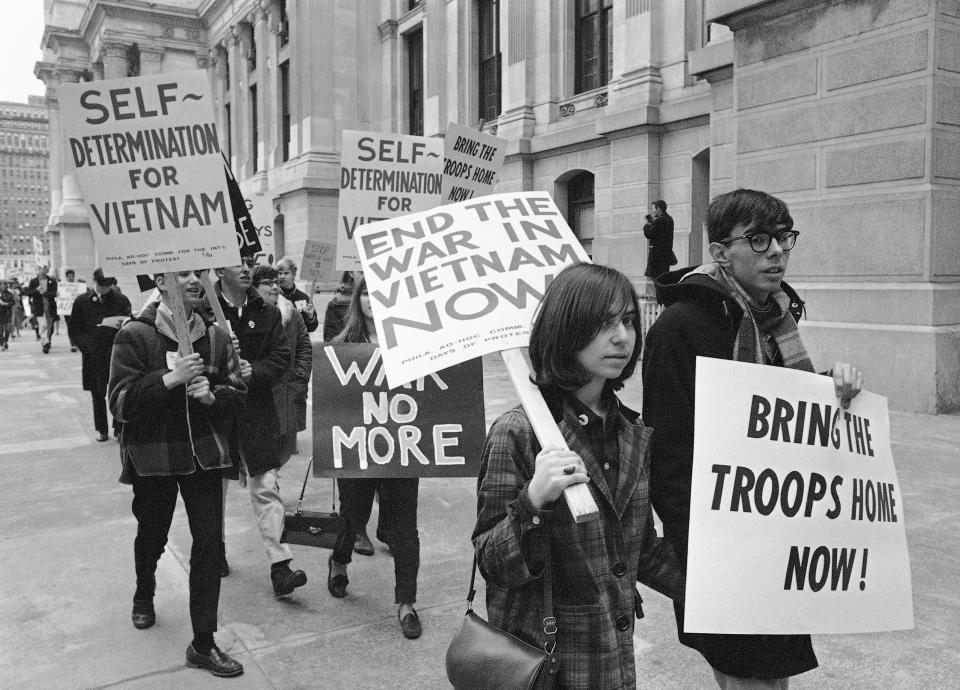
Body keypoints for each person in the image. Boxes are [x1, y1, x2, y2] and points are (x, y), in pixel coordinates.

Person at [642, 188, 864, 689]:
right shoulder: (680, 328)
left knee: (772, 676)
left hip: (780, 539)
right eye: (760, 240)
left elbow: (785, 417)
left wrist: (833, 389)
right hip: (721, 548)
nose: (778, 251)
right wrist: (705, 551)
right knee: (747, 676)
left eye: (784, 237)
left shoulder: (776, 319)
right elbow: (667, 455)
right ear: (721, 251)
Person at [473, 263, 684, 688]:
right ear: (567, 330)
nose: (622, 336)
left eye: (627, 320)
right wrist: (533, 501)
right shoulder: (518, 433)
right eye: (603, 324)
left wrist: (727, 591)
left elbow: (642, 553)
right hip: (547, 665)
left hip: (613, 664)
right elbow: (493, 564)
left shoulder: (632, 432)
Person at [108, 269, 246, 678]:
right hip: (155, 457)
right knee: (153, 532)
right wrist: (170, 379)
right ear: (161, 280)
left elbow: (237, 394)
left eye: (198, 273)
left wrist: (213, 395)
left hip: (205, 456)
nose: (191, 280)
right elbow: (118, 402)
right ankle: (144, 591)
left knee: (208, 544)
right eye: (181, 272)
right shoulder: (135, 334)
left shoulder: (218, 335)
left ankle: (203, 643)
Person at [200, 259, 307, 597]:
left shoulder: (268, 312)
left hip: (258, 412)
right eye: (236, 264)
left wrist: (253, 371)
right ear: (219, 271)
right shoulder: (202, 312)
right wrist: (221, 366)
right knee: (215, 488)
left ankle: (281, 565)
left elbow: (281, 358)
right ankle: (214, 548)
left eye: (248, 263)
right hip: (217, 412)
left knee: (266, 486)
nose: (246, 269)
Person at [327, 276, 425, 639]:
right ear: (358, 299)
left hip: (402, 447)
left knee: (405, 527)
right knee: (353, 516)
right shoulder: (341, 345)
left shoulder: (413, 344)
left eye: (379, 293)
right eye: (366, 293)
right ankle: (338, 560)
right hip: (358, 448)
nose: (372, 300)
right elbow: (330, 400)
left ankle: (406, 602)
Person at [251, 265, 312, 464]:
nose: (275, 287)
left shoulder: (292, 314)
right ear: (254, 287)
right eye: (268, 283)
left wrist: (300, 377)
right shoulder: (249, 317)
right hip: (261, 396)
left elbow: (304, 346)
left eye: (276, 282)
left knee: (285, 451)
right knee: (264, 460)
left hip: (289, 392)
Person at [68, 268, 132, 442]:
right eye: (102, 285)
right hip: (93, 355)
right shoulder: (82, 301)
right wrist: (87, 345)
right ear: (95, 281)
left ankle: (119, 428)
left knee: (119, 390)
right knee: (97, 393)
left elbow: (129, 324)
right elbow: (74, 328)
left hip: (116, 353)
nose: (104, 289)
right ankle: (102, 429)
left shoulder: (121, 299)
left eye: (108, 286)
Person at [276, 256, 319, 333]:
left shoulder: (304, 298)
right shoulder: (274, 296)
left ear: (293, 274)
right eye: (279, 273)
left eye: (286, 273)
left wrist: (310, 317)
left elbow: (311, 328)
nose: (282, 277)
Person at [24, 264, 58, 353]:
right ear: (39, 270)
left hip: (50, 307)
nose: (43, 271)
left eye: (46, 269)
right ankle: (45, 343)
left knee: (50, 327)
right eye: (42, 269)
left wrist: (45, 293)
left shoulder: (52, 281)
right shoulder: (33, 281)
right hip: (39, 307)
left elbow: (54, 293)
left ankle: (46, 342)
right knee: (43, 325)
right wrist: (36, 290)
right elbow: (28, 293)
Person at [643, 199, 676, 280]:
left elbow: (649, 234)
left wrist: (647, 224)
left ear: (658, 209)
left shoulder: (659, 220)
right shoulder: (670, 219)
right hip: (666, 256)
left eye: (654, 209)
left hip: (657, 257)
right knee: (664, 279)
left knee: (656, 280)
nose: (653, 211)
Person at [322, 271, 358, 342]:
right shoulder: (336, 305)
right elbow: (330, 344)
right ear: (351, 273)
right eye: (361, 272)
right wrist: (349, 326)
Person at [0, 280, 14, 350]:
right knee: (1, 330)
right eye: (2, 285)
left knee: (8, 329)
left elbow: (13, 302)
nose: (3, 286)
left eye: (4, 285)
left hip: (7, 313)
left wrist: (6, 304)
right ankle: (2, 343)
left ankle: (6, 341)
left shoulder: (10, 294)